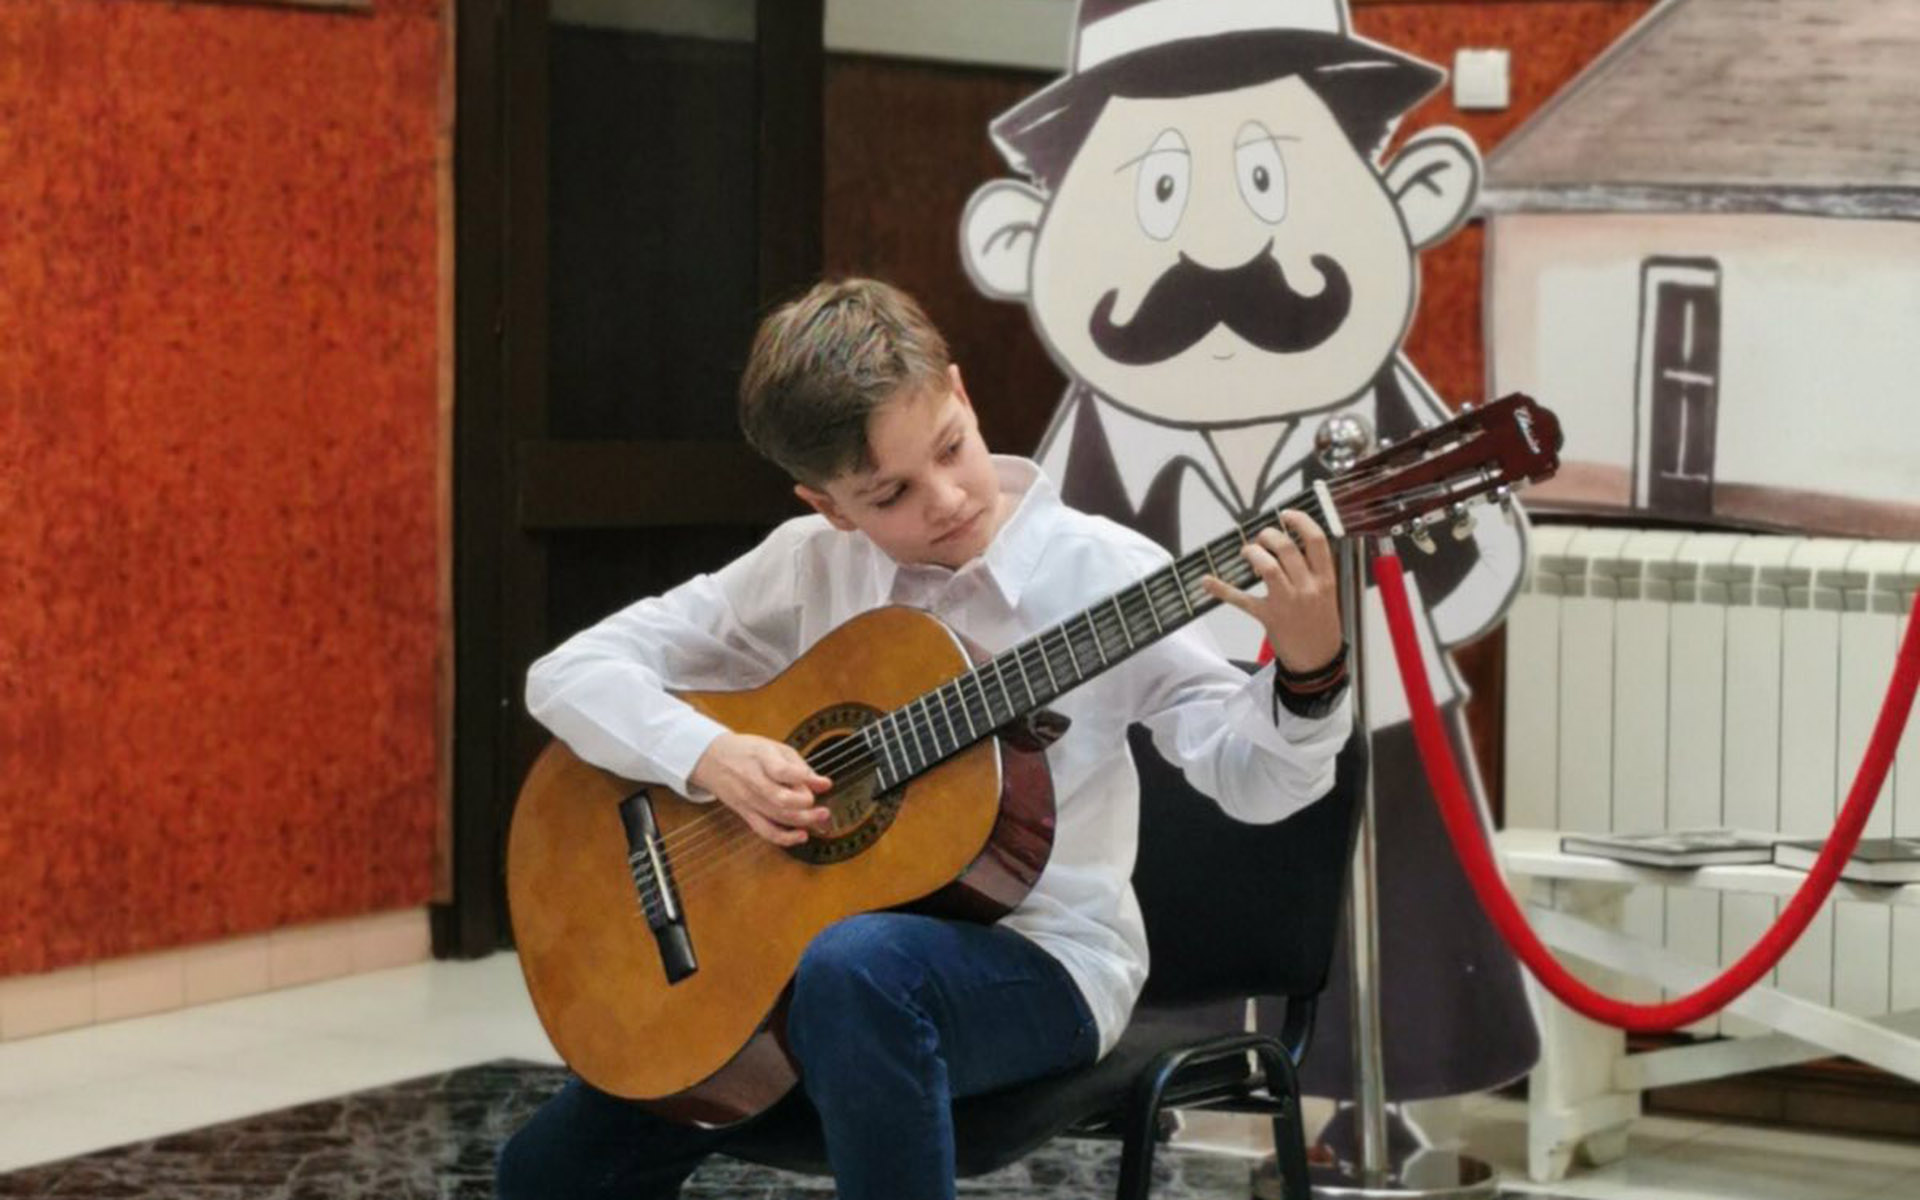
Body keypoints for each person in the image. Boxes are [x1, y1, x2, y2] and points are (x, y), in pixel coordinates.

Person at [495, 277, 1353, 1200]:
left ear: (961, 392)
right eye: (890, 493)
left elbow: (1255, 783)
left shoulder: (1104, 574)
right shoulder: (809, 566)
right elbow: (570, 673)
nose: (944, 499)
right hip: (798, 966)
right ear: (830, 506)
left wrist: (1309, 673)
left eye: (951, 448)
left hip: (1045, 963)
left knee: (857, 972)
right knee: (545, 1175)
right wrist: (711, 757)